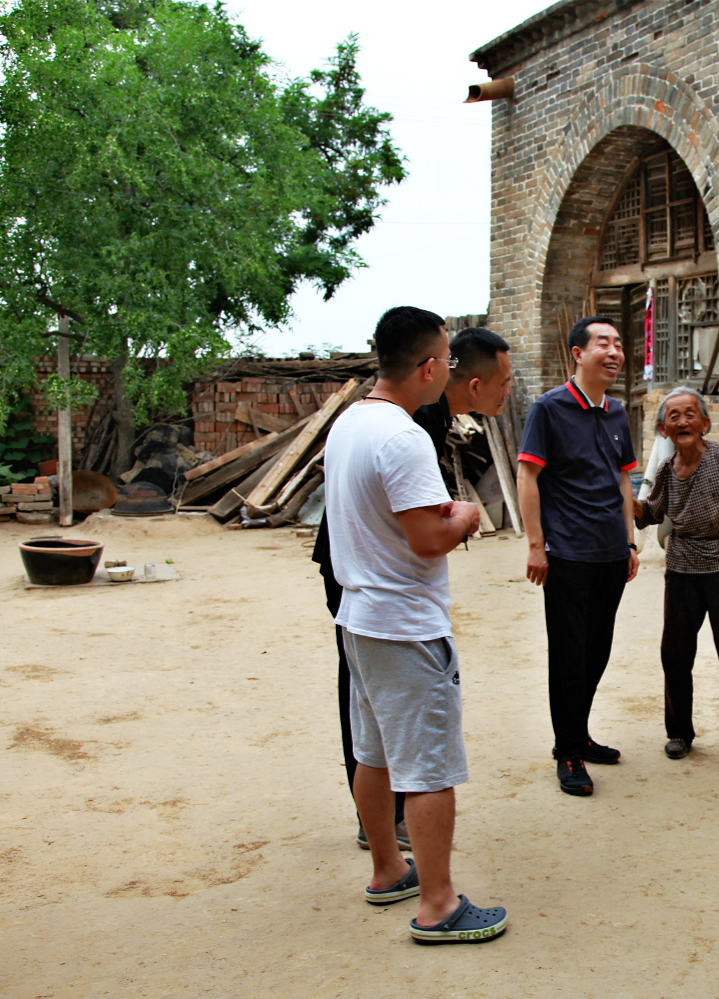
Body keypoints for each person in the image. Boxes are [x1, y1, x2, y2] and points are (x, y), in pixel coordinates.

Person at [324, 306, 508, 945]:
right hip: (404, 623)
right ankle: (437, 904)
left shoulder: (350, 423)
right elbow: (428, 538)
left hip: (361, 618)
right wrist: (464, 516)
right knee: (428, 766)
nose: (449, 372)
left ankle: (387, 870)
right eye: (448, 361)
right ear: (429, 367)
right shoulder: (403, 438)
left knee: (373, 753)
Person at [516, 316, 640, 797]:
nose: (613, 352)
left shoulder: (616, 413)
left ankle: (579, 733)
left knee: (597, 650)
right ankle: (567, 751)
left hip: (611, 553)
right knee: (568, 655)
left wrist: (629, 542)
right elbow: (528, 478)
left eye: (618, 344)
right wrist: (535, 545)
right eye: (602, 343)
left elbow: (623, 479)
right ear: (578, 353)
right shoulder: (549, 409)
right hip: (567, 553)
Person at [634, 387, 719, 761]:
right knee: (675, 654)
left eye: (690, 414)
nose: (683, 421)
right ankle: (679, 732)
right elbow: (651, 512)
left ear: (705, 423)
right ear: (664, 430)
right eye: (674, 416)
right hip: (683, 569)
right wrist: (620, 496)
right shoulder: (665, 470)